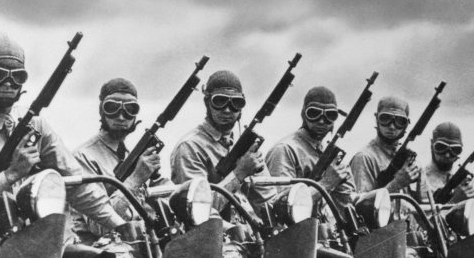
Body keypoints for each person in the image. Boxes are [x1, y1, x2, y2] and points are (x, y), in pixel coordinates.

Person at [0, 34, 125, 240]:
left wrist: (120, 225)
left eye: (17, 77)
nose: (8, 83)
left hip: (34, 242)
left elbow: (77, 185)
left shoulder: (35, 125)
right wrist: (10, 175)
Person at [71, 77, 164, 236]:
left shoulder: (130, 157)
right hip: (99, 252)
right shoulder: (83, 157)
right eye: (112, 107)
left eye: (130, 109)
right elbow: (99, 227)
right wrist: (136, 179)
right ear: (102, 111)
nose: (121, 117)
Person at [169, 70, 265, 210]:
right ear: (207, 102)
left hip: (248, 227)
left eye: (235, 103)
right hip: (213, 229)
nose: (227, 110)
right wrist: (239, 173)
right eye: (219, 101)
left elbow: (267, 198)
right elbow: (198, 209)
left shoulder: (244, 144)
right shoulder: (190, 147)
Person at [265, 86, 354, 210]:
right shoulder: (285, 150)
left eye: (330, 115)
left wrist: (342, 180)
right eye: (314, 113)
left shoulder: (327, 153)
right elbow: (282, 209)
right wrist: (327, 183)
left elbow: (347, 205)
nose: (322, 121)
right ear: (304, 114)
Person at [350, 96, 423, 196]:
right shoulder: (364, 158)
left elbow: (425, 204)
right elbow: (360, 206)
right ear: (377, 119)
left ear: (406, 124)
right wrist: (396, 184)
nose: (392, 126)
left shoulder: (409, 160)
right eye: (385, 119)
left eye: (399, 121)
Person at [421, 121, 474, 200]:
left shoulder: (465, 186)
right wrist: (455, 200)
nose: (447, 155)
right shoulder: (417, 180)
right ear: (432, 144)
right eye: (441, 147)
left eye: (455, 149)